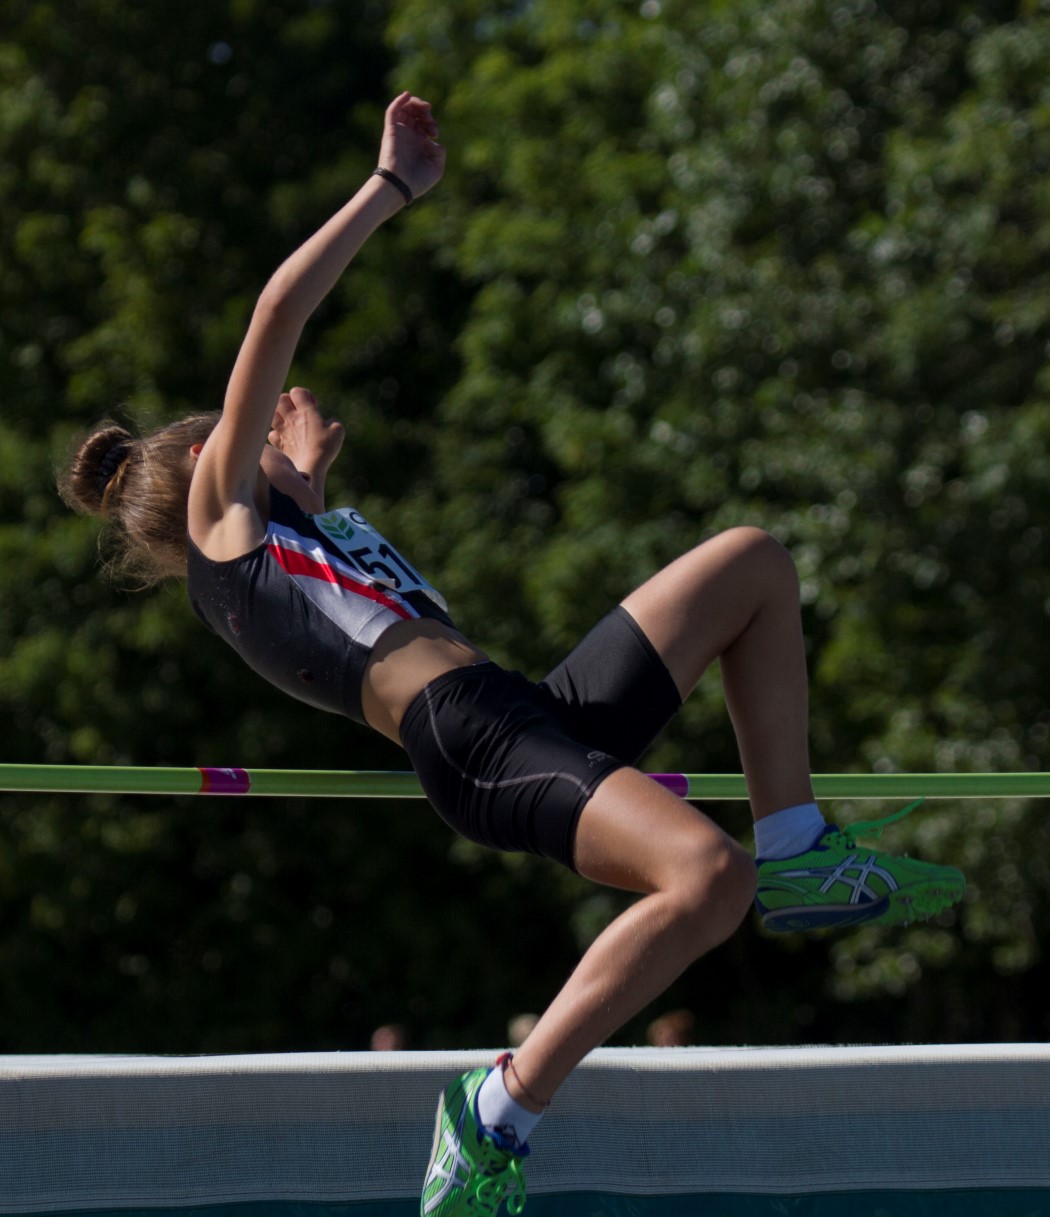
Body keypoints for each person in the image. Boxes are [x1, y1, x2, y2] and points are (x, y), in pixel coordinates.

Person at [60, 93, 965, 1217]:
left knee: (752, 564)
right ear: (208, 455)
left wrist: (314, 480)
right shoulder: (218, 521)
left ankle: (800, 847)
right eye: (247, 440)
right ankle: (498, 1110)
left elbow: (337, 601)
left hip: (525, 710)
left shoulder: (284, 554)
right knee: (703, 876)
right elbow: (277, 312)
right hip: (479, 740)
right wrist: (390, 188)